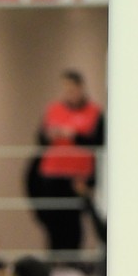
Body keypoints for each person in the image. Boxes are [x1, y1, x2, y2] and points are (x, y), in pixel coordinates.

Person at [27, 70, 104, 259]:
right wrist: (51, 135)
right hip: (52, 175)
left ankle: (72, 263)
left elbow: (98, 142)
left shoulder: (94, 112)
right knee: (54, 221)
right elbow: (40, 138)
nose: (68, 93)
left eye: (72, 89)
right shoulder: (53, 109)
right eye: (65, 89)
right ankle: (55, 263)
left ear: (80, 88)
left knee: (73, 223)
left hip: (78, 177)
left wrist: (73, 135)